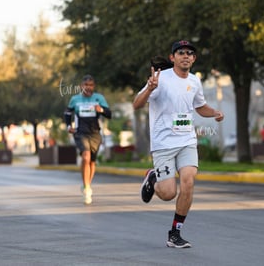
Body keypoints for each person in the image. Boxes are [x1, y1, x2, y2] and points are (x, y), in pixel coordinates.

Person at [133, 40, 224, 248]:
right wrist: (149, 88)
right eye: (181, 52)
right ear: (172, 57)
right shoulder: (160, 79)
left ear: (194, 59)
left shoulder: (194, 81)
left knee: (188, 182)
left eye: (190, 53)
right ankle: (153, 177)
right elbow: (136, 104)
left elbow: (200, 107)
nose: (186, 56)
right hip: (163, 143)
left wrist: (215, 113)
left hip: (186, 141)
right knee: (167, 193)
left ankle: (175, 233)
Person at [64, 75, 112, 205]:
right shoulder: (75, 99)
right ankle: (87, 189)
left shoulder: (99, 98)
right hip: (80, 132)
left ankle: (87, 185)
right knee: (85, 156)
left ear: (93, 86)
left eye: (91, 85)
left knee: (92, 162)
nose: (88, 88)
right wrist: (69, 126)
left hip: (95, 133)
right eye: (86, 85)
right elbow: (67, 113)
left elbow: (109, 114)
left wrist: (100, 109)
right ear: (81, 86)